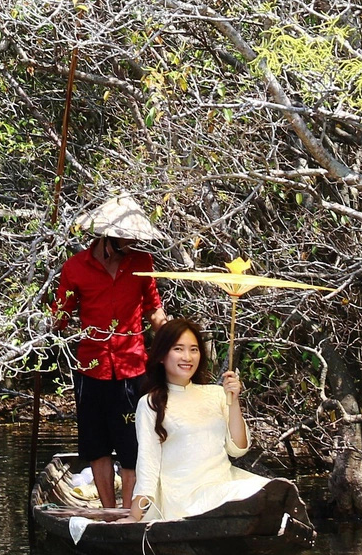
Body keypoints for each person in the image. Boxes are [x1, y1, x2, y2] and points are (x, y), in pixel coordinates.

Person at [53, 193, 170, 510]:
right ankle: (108, 511)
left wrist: (172, 335)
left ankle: (129, 513)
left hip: (132, 367)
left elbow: (153, 309)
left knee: (133, 446)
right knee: (97, 445)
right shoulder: (75, 268)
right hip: (91, 368)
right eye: (126, 237)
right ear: (109, 237)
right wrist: (48, 318)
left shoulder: (142, 263)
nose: (132, 243)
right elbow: (60, 319)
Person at [128, 318, 268, 522]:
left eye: (193, 349)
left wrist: (234, 401)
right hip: (184, 499)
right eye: (178, 349)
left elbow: (238, 448)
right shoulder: (151, 403)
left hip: (223, 486)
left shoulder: (217, 394)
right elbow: (147, 464)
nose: (187, 357)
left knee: (269, 489)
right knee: (248, 494)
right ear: (162, 356)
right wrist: (134, 516)